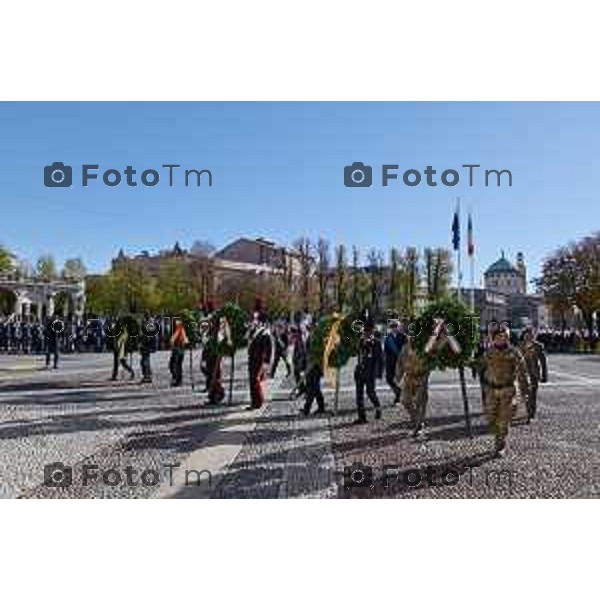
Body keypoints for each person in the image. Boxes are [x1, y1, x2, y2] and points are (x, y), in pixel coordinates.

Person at [481, 328, 530, 457]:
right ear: (494, 338)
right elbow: (480, 366)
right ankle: (497, 435)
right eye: (499, 336)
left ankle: (500, 444)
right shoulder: (488, 352)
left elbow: (523, 371)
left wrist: (525, 389)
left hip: (507, 390)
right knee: (490, 418)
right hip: (491, 390)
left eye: (505, 336)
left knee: (504, 419)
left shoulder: (514, 352)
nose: (502, 339)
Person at [353, 320, 383, 424]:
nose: (366, 333)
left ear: (372, 331)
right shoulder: (360, 341)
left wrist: (379, 373)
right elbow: (355, 353)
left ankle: (378, 407)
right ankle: (362, 417)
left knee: (370, 393)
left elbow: (380, 359)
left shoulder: (376, 342)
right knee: (359, 395)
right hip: (360, 371)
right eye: (365, 331)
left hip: (370, 373)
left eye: (368, 332)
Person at [400, 336, 430, 438]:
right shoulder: (405, 346)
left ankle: (418, 426)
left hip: (420, 377)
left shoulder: (423, 348)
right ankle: (416, 420)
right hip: (408, 377)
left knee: (419, 402)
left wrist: (424, 378)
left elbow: (428, 364)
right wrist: (399, 374)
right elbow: (401, 360)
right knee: (405, 401)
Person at [518, 327, 548, 423]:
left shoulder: (539, 346)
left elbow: (543, 362)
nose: (528, 337)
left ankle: (531, 414)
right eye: (527, 335)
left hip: (534, 374)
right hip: (523, 374)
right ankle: (527, 412)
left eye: (531, 335)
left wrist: (544, 375)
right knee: (524, 394)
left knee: (532, 395)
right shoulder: (520, 346)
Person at [247, 314, 272, 410]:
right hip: (253, 360)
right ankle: (254, 401)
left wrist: (266, 362)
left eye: (256, 320)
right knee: (252, 381)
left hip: (259, 360)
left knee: (255, 380)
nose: (254, 321)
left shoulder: (265, 333)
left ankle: (258, 401)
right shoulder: (255, 331)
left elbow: (268, 349)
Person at [384, 320, 406, 404]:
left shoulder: (403, 337)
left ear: (399, 327)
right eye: (392, 326)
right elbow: (385, 350)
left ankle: (398, 397)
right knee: (389, 379)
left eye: (395, 326)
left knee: (400, 379)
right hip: (390, 362)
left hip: (400, 361)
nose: (394, 328)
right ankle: (398, 392)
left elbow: (406, 349)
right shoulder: (388, 337)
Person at [169, 320, 189, 387]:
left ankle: (176, 379)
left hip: (177, 348)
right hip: (181, 348)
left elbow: (172, 339)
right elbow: (186, 340)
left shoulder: (179, 328)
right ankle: (179, 380)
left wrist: (172, 343)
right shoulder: (182, 329)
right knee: (178, 365)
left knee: (173, 365)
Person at [139, 313, 157, 384]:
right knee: (145, 360)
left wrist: (142, 343)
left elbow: (148, 335)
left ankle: (147, 376)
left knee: (145, 360)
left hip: (146, 344)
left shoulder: (149, 323)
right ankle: (147, 375)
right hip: (148, 344)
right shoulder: (151, 322)